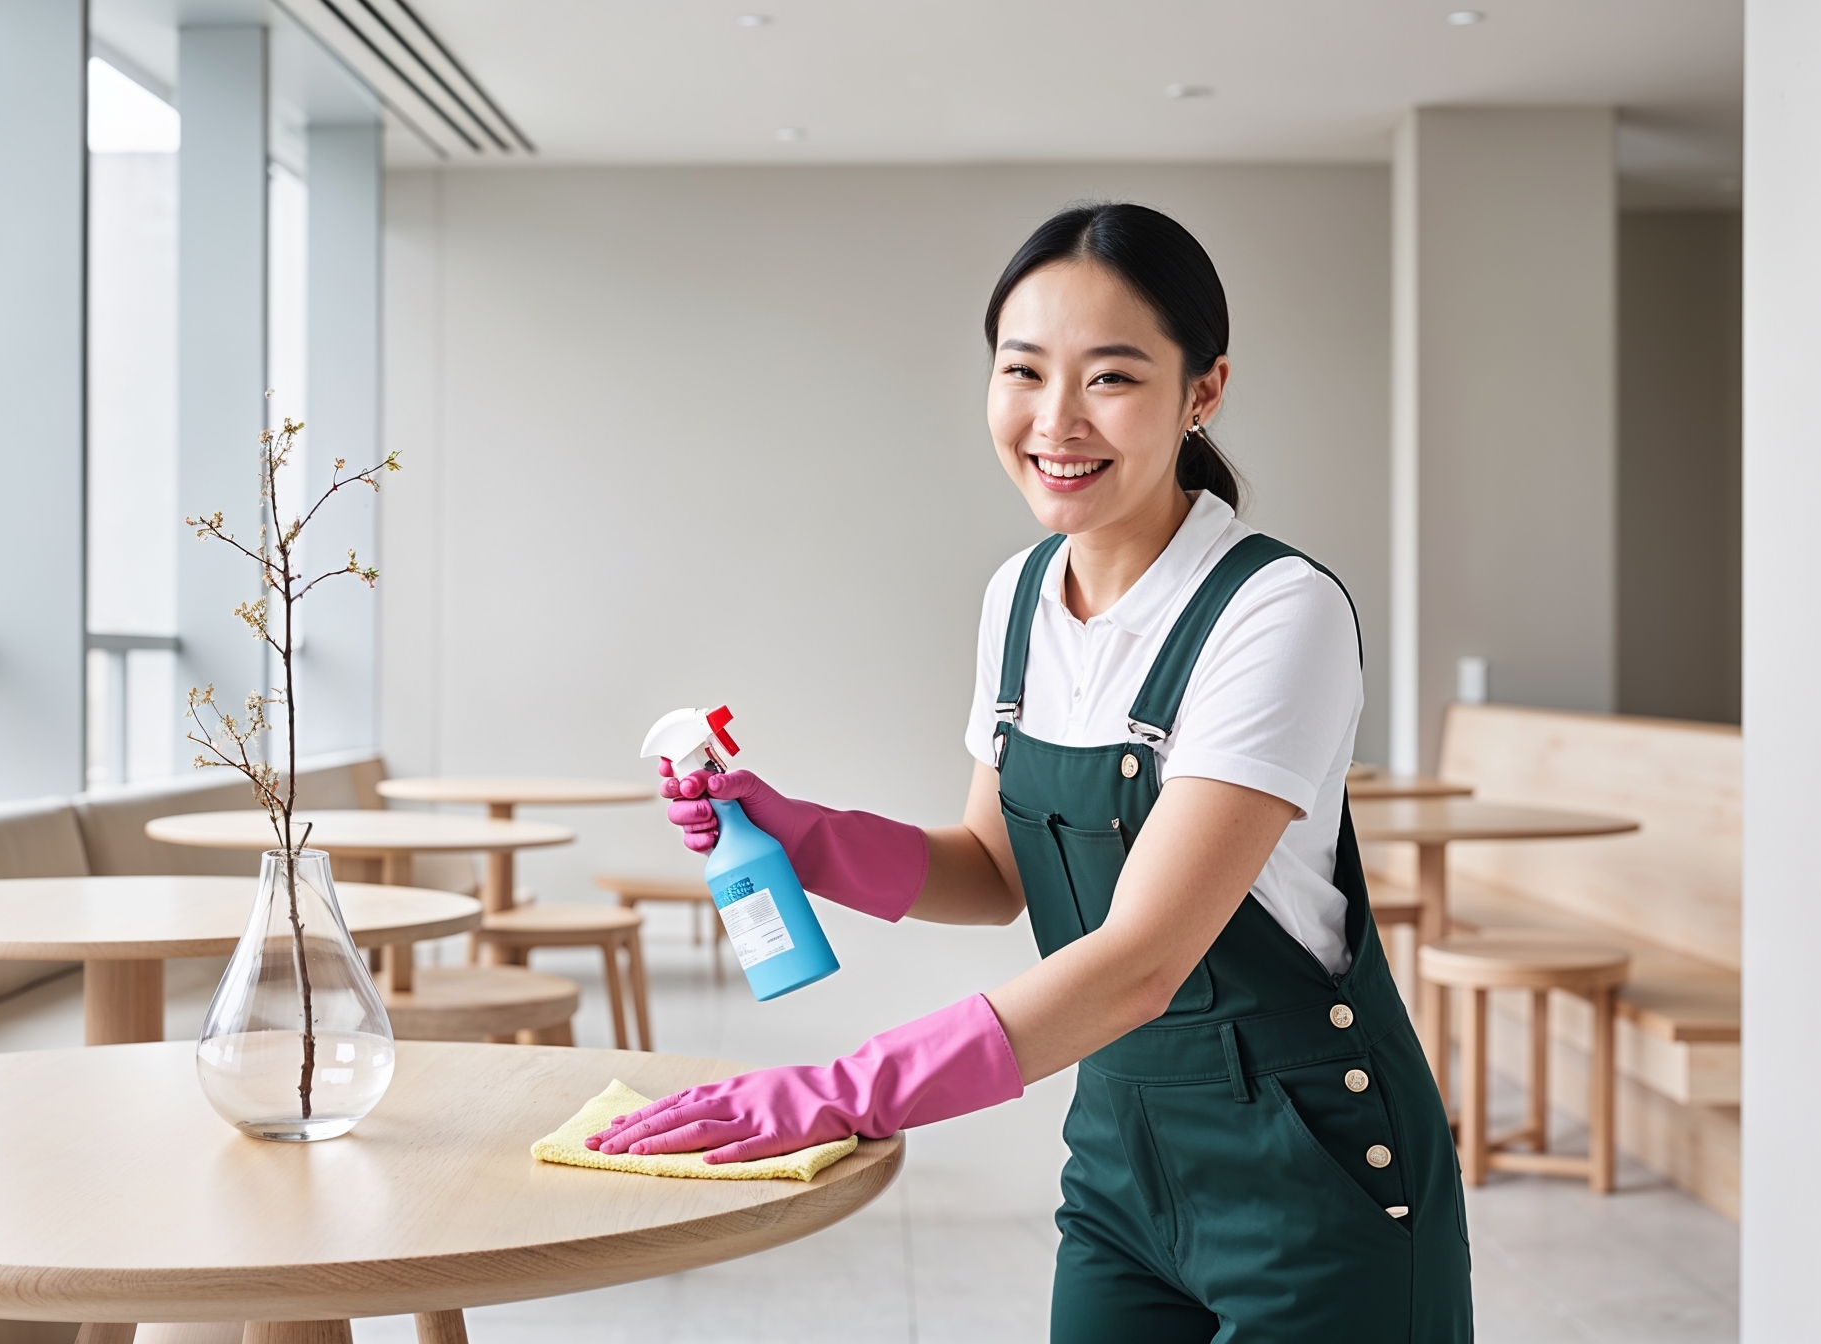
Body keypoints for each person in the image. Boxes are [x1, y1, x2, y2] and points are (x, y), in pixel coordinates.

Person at [589, 202, 1471, 1341]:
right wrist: (794, 832)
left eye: (1111, 377)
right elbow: (992, 870)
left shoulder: (1273, 611)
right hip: (1119, 1172)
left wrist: (835, 1094)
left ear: (1202, 392)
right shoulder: (1018, 597)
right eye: (1023, 372)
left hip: (1314, 1179)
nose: (1056, 421)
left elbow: (1141, 962)